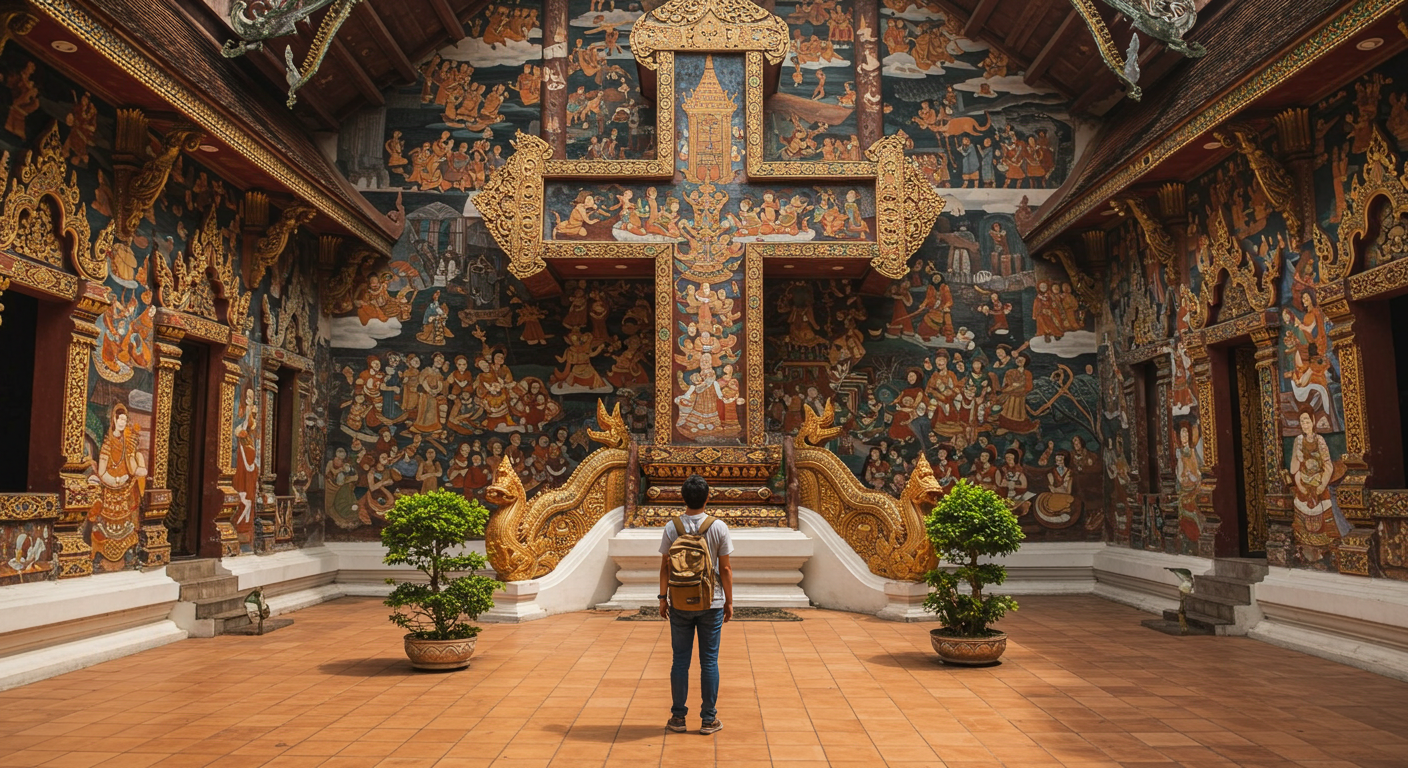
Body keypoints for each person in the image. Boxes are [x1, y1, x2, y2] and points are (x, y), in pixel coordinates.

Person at [659, 474, 734, 736]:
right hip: (710, 601)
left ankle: (678, 718)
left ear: (682, 497)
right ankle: (708, 719)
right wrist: (729, 601)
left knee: (680, 660)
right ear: (707, 497)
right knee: (709, 661)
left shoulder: (672, 527)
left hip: (679, 601)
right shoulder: (719, 527)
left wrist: (661, 598)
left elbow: (665, 567)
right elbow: (725, 568)